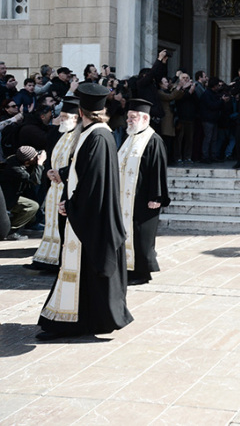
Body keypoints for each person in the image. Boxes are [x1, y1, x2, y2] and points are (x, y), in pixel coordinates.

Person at [38, 82, 133, 340]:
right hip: (87, 212)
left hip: (92, 216)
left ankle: (74, 322)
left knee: (85, 268)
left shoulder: (98, 136)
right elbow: (84, 172)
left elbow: (94, 182)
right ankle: (84, 320)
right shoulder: (95, 133)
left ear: (81, 112)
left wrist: (71, 205)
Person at [118, 99, 171, 286]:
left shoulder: (153, 140)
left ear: (145, 118)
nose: (129, 121)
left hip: (144, 199)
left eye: (133, 117)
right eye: (128, 118)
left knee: (141, 237)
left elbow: (157, 170)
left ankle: (142, 273)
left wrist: (156, 197)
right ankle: (128, 269)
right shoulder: (129, 138)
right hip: (126, 199)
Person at [28, 98, 81, 270]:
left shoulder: (81, 136)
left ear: (75, 118)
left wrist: (61, 173)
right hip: (54, 185)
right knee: (50, 222)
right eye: (61, 116)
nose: (61, 119)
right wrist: (49, 170)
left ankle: (59, 259)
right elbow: (52, 156)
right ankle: (46, 258)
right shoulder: (60, 134)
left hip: (68, 186)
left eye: (65, 117)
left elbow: (79, 163)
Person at [0, 145, 45, 234]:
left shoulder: (19, 160)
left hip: (15, 194)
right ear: (28, 161)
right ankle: (10, 230)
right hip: (7, 198)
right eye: (35, 157)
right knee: (32, 206)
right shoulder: (14, 168)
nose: (37, 157)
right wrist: (39, 164)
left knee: (34, 211)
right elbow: (35, 181)